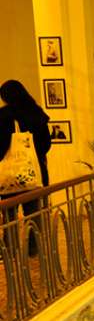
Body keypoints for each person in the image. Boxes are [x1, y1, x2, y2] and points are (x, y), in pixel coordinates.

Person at [0, 79, 53, 256]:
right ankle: (34, 248)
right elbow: (46, 144)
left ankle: (10, 250)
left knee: (10, 215)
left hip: (10, 176)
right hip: (34, 172)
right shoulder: (35, 112)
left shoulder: (3, 116)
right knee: (34, 212)